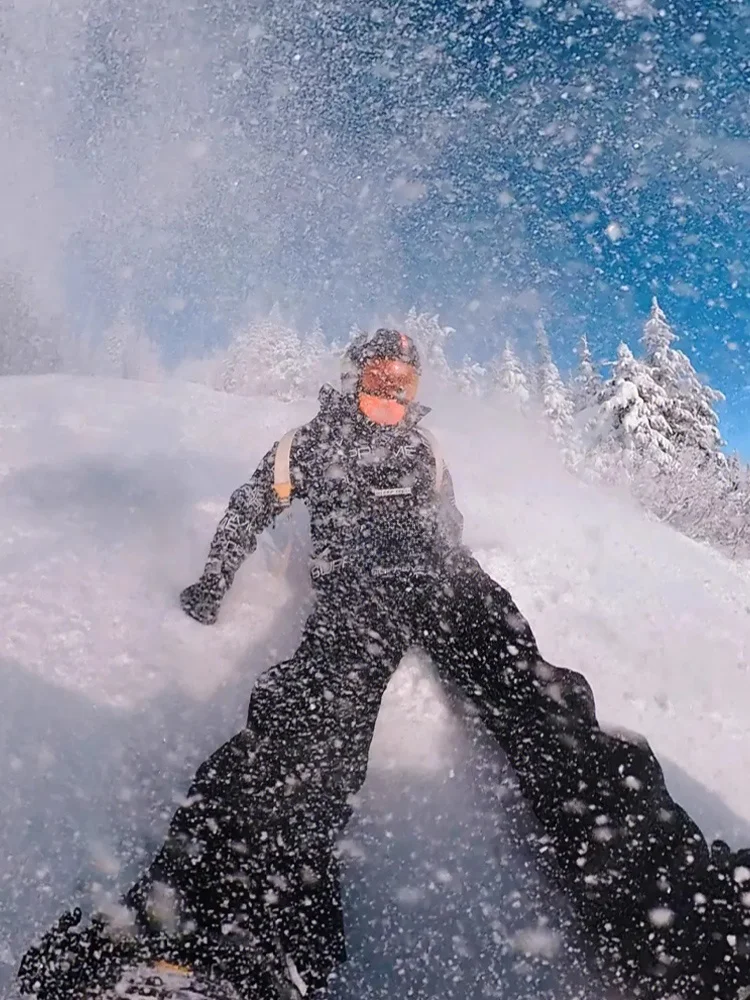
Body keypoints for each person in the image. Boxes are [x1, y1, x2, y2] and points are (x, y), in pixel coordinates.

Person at [18, 330, 750, 1000]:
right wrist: (217, 578)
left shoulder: (427, 451)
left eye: (403, 381)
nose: (390, 392)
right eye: (378, 376)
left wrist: (455, 569)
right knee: (319, 711)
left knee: (539, 703)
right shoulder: (312, 439)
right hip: (360, 587)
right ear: (353, 376)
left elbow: (449, 521)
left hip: (446, 580)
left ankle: (682, 911)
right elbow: (249, 506)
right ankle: (216, 922)